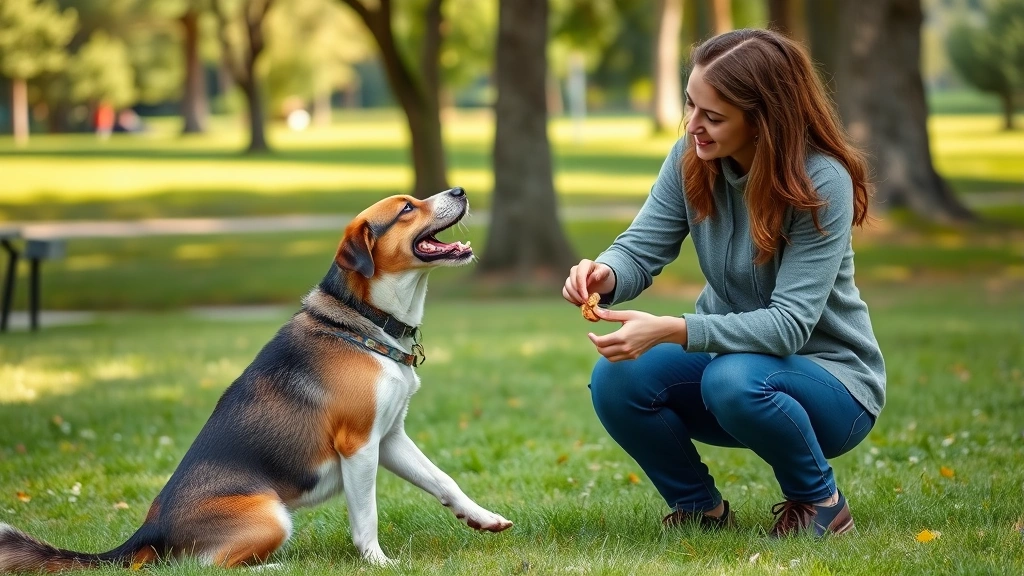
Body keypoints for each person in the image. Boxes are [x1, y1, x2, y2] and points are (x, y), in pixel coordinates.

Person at [562, 28, 885, 538]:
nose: (693, 124)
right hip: (731, 370)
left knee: (732, 378)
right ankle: (700, 510)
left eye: (713, 116)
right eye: (690, 104)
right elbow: (640, 248)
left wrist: (675, 329)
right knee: (618, 378)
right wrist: (606, 272)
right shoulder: (692, 158)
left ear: (764, 120)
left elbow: (788, 326)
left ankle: (820, 502)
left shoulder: (822, 181)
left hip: (833, 385)